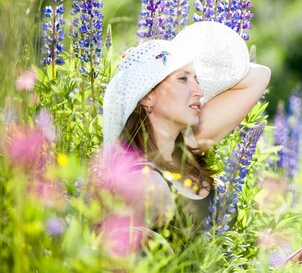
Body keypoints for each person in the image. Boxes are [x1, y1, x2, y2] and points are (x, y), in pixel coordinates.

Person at [100, 21, 271, 230]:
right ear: (147, 96)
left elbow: (260, 76)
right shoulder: (143, 182)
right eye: (183, 79)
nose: (198, 89)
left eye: (196, 79)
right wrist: (140, 70)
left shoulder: (186, 148)